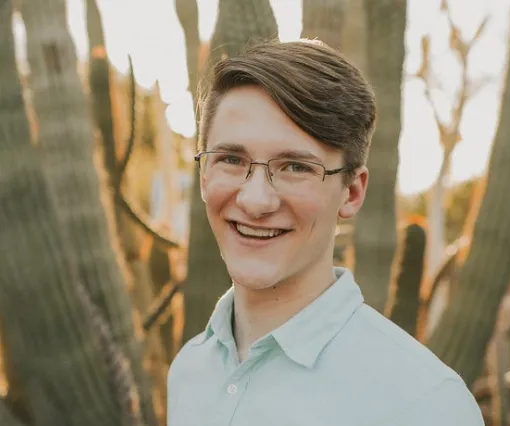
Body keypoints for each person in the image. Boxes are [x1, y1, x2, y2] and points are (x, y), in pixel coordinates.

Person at [167, 39, 485, 426]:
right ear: (203, 176)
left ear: (351, 192)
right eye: (231, 160)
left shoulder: (425, 404)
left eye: (296, 167)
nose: (255, 200)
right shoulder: (189, 370)